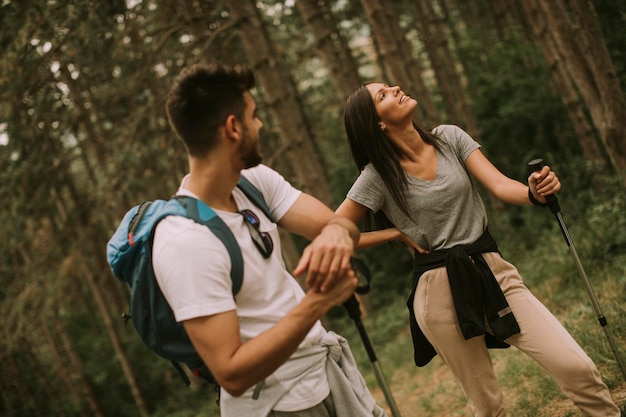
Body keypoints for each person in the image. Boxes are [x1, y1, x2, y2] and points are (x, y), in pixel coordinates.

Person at [335, 83, 620, 417]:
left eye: (388, 85)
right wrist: (394, 234)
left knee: (577, 367)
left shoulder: (449, 138)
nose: (395, 88)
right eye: (382, 95)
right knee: (488, 406)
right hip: (438, 292)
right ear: (377, 123)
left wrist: (532, 194)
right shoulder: (378, 176)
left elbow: (499, 184)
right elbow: (332, 229)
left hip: (492, 270)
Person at [154, 63, 388, 417]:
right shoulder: (184, 242)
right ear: (233, 128)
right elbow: (231, 373)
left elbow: (338, 224)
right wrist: (317, 302)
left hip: (323, 373)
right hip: (275, 406)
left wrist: (337, 236)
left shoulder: (253, 181)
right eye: (254, 115)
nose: (260, 125)